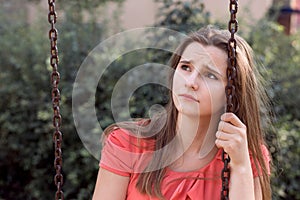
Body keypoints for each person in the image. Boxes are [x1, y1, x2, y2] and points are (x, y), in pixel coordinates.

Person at [92, 26, 272, 200]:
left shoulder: (247, 155)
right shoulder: (127, 143)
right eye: (185, 67)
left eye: (210, 75)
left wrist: (241, 167)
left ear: (231, 94)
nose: (191, 82)